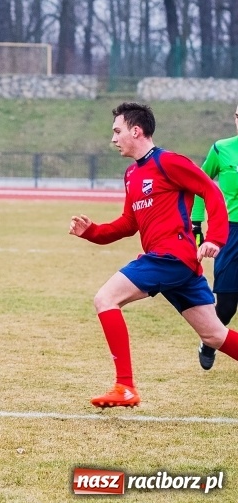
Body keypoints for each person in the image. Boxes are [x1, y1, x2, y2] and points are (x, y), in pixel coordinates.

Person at [68, 101, 238, 408]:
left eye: (117, 131)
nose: (113, 138)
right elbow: (128, 223)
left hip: (171, 256)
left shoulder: (169, 162)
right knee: (214, 336)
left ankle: (125, 387)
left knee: (105, 299)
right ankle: (125, 387)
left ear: (136, 130)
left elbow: (211, 192)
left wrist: (215, 238)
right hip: (175, 264)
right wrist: (92, 232)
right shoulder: (132, 174)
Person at [190, 104, 238, 371]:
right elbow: (199, 184)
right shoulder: (222, 149)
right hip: (231, 233)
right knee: (228, 304)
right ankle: (210, 341)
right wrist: (196, 220)